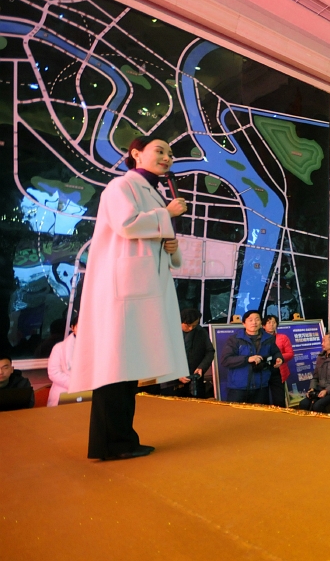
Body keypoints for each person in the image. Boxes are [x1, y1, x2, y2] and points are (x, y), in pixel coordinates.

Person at [69, 137, 190, 460]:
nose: (167, 157)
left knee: (127, 368)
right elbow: (126, 225)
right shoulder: (120, 187)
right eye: (159, 151)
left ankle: (121, 440)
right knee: (115, 367)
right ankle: (114, 443)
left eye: (170, 153)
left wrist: (172, 247)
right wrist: (166, 214)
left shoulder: (151, 192)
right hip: (122, 291)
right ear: (136, 153)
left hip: (140, 290)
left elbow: (158, 241)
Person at [220, 311, 284, 404]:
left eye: (257, 319)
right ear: (244, 323)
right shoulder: (234, 339)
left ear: (261, 322)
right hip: (238, 387)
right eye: (250, 320)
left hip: (261, 386)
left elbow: (276, 352)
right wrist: (247, 359)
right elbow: (225, 360)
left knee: (260, 412)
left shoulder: (268, 338)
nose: (254, 322)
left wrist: (279, 358)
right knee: (236, 412)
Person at [161, 309, 215, 399]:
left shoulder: (201, 332)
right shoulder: (168, 332)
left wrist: (201, 367)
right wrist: (177, 375)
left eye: (194, 325)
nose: (191, 328)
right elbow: (163, 357)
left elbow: (210, 351)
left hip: (195, 380)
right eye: (188, 325)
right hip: (171, 383)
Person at [297, 333, 330, 413]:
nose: (322, 344)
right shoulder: (321, 356)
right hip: (320, 389)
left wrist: (327, 390)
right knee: (303, 404)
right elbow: (315, 376)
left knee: (318, 406)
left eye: (324, 341)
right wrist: (312, 389)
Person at [262, 314, 293, 407]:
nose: (271, 324)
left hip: (278, 372)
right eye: (269, 322)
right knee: (263, 400)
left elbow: (290, 353)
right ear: (263, 325)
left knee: (279, 399)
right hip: (263, 372)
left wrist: (279, 358)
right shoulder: (259, 338)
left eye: (274, 322)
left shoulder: (283, 337)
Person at [46, 316, 78, 406]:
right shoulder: (59, 347)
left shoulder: (95, 348)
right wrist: (76, 383)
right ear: (72, 327)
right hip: (63, 392)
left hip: (88, 391)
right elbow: (54, 373)